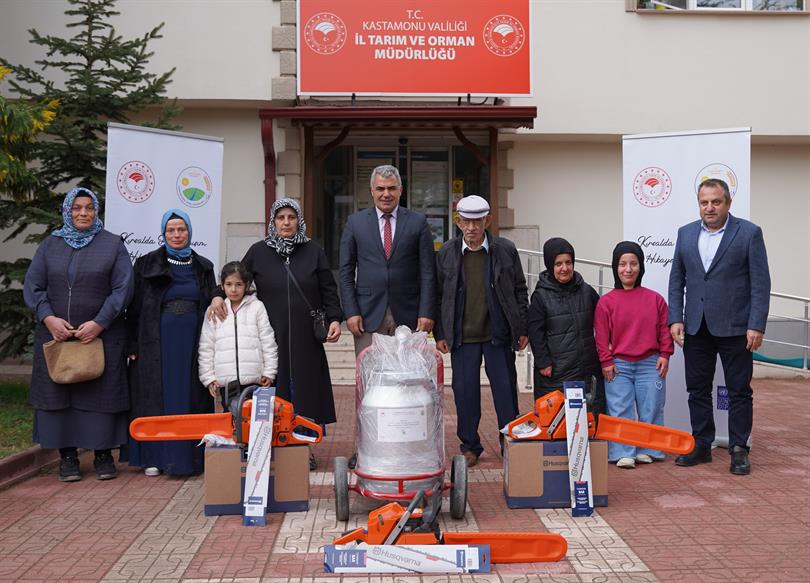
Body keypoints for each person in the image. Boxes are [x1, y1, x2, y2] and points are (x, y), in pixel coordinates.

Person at [210, 198, 342, 470]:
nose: (286, 223)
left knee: (305, 391)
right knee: (274, 390)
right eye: (280, 218)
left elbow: (328, 289)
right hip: (270, 336)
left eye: (291, 217)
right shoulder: (259, 252)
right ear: (273, 222)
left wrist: (335, 319)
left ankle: (303, 447)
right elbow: (236, 278)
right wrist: (217, 296)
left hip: (305, 337)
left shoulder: (314, 251)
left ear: (299, 221)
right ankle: (272, 444)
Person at [23, 187, 134, 482]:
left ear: (96, 211)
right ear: (67, 211)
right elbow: (34, 286)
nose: (83, 213)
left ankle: (102, 455)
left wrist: (99, 322)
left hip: (100, 337)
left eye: (89, 208)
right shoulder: (50, 245)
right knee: (61, 397)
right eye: (77, 208)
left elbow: (123, 289)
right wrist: (48, 318)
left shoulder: (112, 245)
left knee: (100, 397)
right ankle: (68, 457)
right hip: (57, 337)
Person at [668, 178, 770, 475]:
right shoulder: (686, 233)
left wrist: (756, 324)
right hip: (696, 326)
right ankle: (702, 445)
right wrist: (676, 318)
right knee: (697, 389)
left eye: (716, 202)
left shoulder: (749, 233)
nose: (709, 207)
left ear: (728, 203)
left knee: (739, 390)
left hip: (736, 327)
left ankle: (739, 449)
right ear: (698, 204)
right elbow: (677, 279)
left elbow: (760, 283)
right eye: (704, 202)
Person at [339, 164, 436, 468]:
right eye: (380, 188)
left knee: (411, 382)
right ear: (371, 191)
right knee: (368, 385)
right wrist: (350, 311)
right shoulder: (356, 223)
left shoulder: (417, 222)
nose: (386, 194)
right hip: (368, 317)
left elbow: (428, 271)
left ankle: (410, 446)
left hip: (409, 316)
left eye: (391, 188)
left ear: (400, 190)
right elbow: (345, 271)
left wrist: (426, 311)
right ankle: (365, 448)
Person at [434, 195, 529, 467]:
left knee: (505, 391)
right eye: (466, 221)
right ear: (458, 222)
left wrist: (521, 327)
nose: (472, 227)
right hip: (462, 337)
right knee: (465, 394)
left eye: (477, 221)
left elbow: (520, 290)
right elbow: (439, 296)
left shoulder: (505, 250)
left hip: (498, 333)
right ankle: (470, 446)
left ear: (487, 221)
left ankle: (509, 442)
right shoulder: (447, 252)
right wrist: (440, 333)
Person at [127, 209, 218, 476]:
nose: (177, 235)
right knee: (157, 397)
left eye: (181, 229)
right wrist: (131, 343)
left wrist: (218, 296)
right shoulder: (146, 264)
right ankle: (156, 457)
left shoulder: (204, 266)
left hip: (193, 342)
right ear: (163, 234)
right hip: (156, 343)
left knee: (191, 397)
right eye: (171, 230)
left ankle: (191, 458)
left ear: (189, 232)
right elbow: (133, 307)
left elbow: (212, 298)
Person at [595, 242, 674, 468]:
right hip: (618, 365)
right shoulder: (606, 302)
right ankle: (623, 452)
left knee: (652, 408)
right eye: (622, 264)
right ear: (615, 267)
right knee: (620, 409)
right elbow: (601, 336)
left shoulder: (655, 299)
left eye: (633, 264)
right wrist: (606, 361)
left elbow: (664, 330)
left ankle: (649, 449)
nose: (628, 269)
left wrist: (665, 354)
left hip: (650, 363)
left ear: (641, 267)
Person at [527, 237, 605, 416]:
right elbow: (535, 332)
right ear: (550, 265)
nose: (565, 268)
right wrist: (543, 362)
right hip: (556, 373)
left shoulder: (586, 291)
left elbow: (604, 319)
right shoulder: (540, 296)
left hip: (587, 370)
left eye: (568, 263)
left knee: (590, 421)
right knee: (558, 422)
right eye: (558, 264)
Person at [198, 261, 278, 404]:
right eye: (228, 284)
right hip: (227, 383)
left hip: (255, 381)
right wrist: (208, 378)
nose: (233, 289)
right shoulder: (214, 311)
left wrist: (269, 372)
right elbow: (206, 347)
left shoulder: (257, 307)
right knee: (230, 416)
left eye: (239, 284)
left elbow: (268, 341)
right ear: (222, 286)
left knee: (255, 417)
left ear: (246, 285)